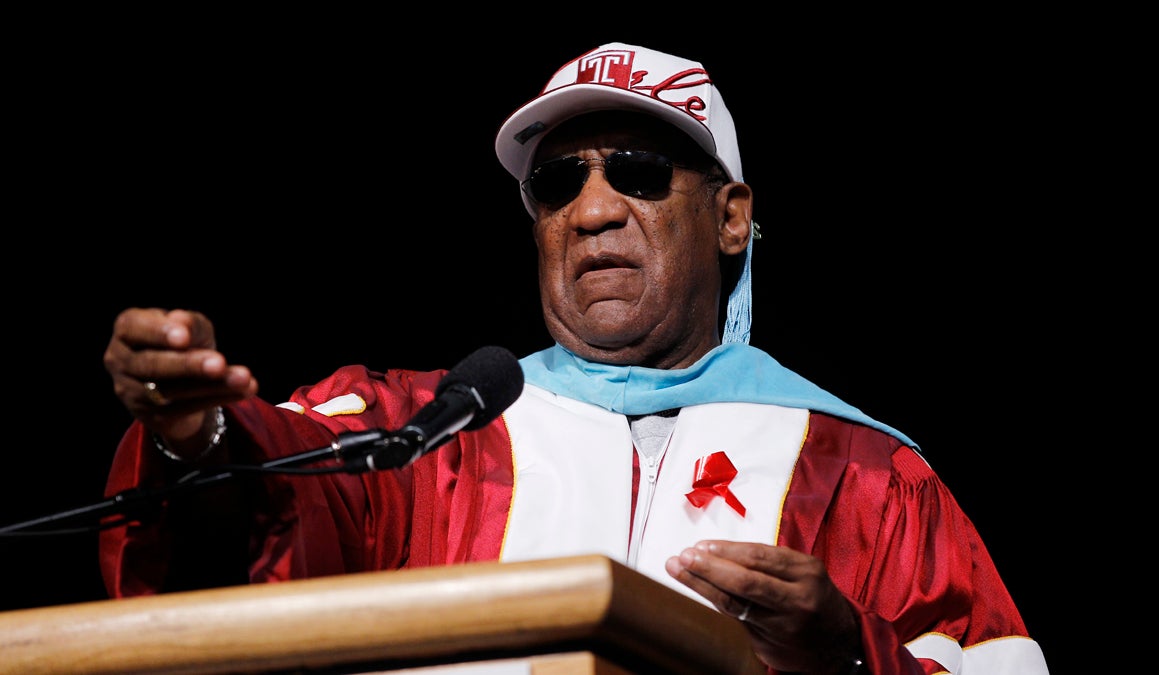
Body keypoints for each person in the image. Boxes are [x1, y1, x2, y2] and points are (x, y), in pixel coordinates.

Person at [100, 42, 1049, 674]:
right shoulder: (434, 435)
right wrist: (198, 438)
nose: (592, 209)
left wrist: (847, 651)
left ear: (730, 216)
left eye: (637, 172)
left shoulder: (870, 473)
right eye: (559, 184)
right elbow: (275, 497)